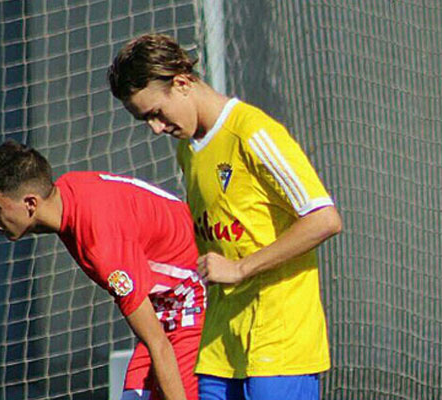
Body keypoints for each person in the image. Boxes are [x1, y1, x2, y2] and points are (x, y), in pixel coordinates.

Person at [108, 33, 343, 400]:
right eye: (145, 120)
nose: (155, 128)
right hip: (220, 348)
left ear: (182, 83)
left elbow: (324, 218)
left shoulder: (252, 132)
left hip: (279, 345)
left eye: (156, 113)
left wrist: (241, 268)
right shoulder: (188, 150)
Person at [0, 140, 205, 400]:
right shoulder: (68, 191)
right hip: (167, 305)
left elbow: (158, 343)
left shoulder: (101, 245)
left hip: (192, 300)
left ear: (30, 204)